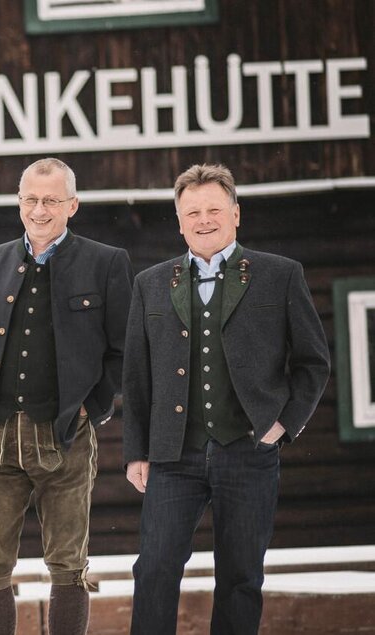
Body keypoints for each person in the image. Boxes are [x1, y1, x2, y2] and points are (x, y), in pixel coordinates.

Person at [123, 164, 330, 634]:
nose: (203, 219)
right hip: (174, 453)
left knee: (240, 576)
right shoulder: (151, 284)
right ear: (179, 221)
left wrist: (283, 425)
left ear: (236, 214)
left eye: (214, 209)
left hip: (249, 450)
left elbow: (313, 362)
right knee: (154, 569)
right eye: (191, 212)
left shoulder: (280, 275)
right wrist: (136, 450)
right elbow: (136, 375)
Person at [0, 157, 133, 635]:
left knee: (68, 564)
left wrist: (92, 409)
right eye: (30, 198)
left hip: (66, 435)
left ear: (73, 204)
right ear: (19, 202)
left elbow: (123, 350)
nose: (40, 209)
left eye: (51, 199)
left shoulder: (106, 262)